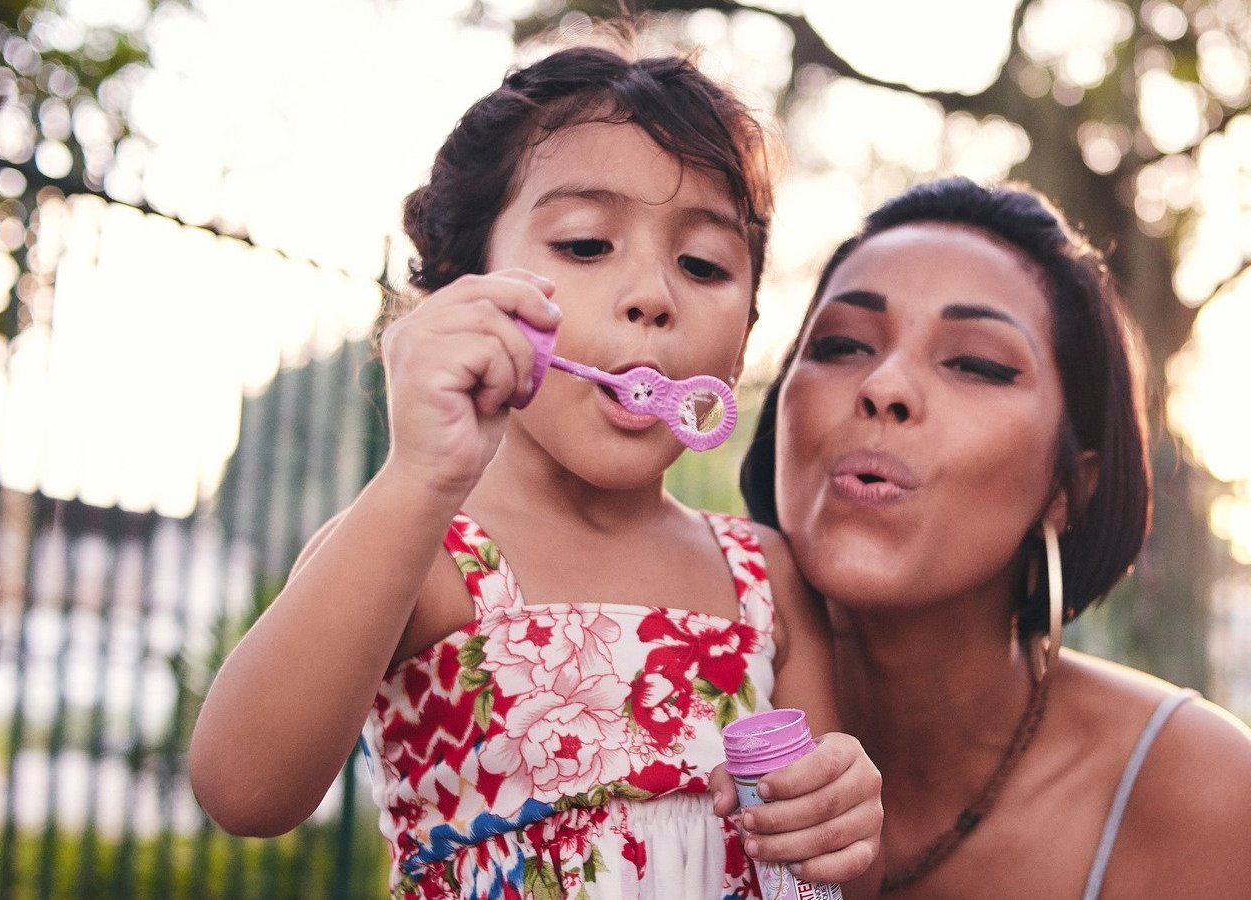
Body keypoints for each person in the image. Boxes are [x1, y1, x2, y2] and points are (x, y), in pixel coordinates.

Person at [189, 45, 883, 900]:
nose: (653, 294)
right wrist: (420, 476)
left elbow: (825, 872)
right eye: (587, 243)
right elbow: (245, 790)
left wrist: (841, 811)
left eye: (704, 265)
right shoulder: (419, 547)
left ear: (744, 336)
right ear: (463, 289)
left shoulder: (764, 580)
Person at [741, 177, 1251, 899]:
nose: (885, 386)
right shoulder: (658, 717)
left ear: (1069, 487)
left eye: (975, 363)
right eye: (843, 344)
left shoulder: (1191, 790)